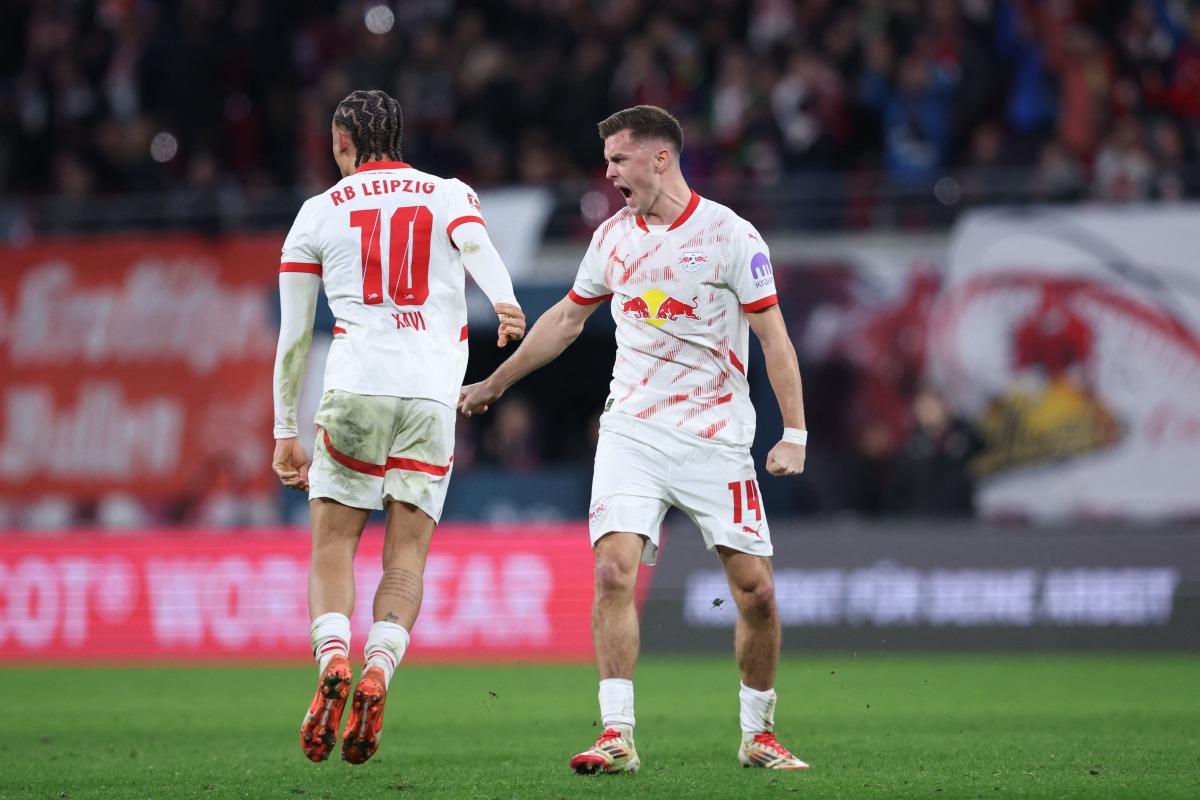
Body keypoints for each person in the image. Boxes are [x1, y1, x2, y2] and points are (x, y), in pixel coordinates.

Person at [459, 105, 810, 773]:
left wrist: (793, 433)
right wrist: (496, 382)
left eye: (619, 159)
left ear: (660, 158)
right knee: (612, 571)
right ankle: (616, 733)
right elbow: (566, 320)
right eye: (608, 161)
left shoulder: (730, 235)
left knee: (756, 593)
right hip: (633, 431)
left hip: (715, 436)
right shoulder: (612, 238)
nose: (610, 173)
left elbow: (775, 340)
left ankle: (758, 734)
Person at [271, 89, 526, 765]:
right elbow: (477, 246)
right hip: (430, 397)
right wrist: (505, 302)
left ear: (342, 143)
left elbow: (294, 337)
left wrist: (283, 428)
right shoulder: (448, 192)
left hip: (356, 387)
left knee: (333, 545)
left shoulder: (318, 211)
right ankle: (380, 667)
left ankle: (334, 657)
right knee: (406, 557)